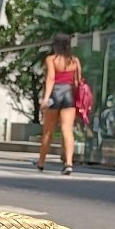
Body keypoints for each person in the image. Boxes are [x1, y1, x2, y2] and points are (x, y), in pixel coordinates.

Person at [36, 33, 81, 176]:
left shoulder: (51, 59)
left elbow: (50, 78)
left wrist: (45, 99)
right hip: (69, 95)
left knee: (48, 131)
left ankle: (41, 162)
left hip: (55, 93)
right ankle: (68, 163)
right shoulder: (74, 61)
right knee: (67, 130)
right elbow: (77, 82)